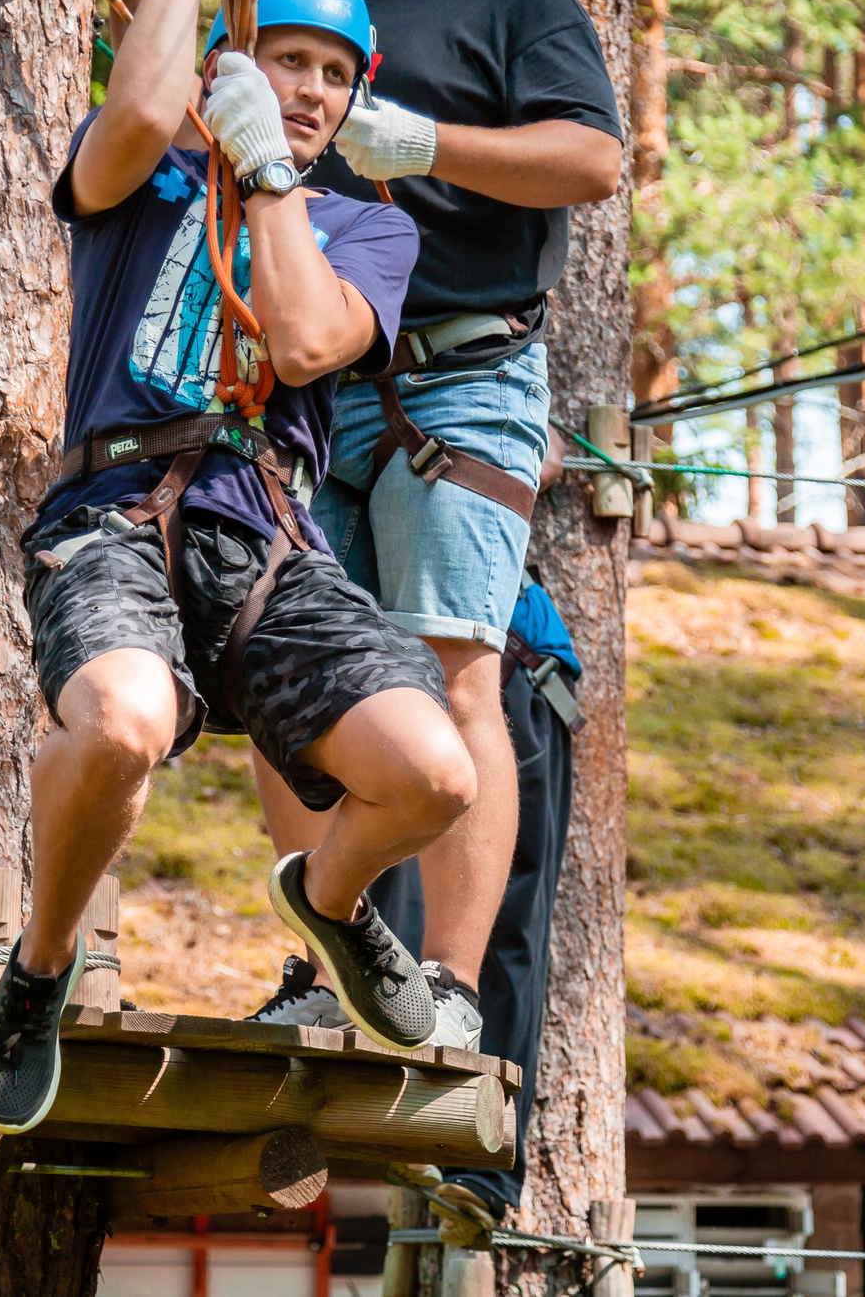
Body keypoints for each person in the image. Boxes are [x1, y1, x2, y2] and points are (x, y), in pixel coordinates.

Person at [0, 0, 476, 1138]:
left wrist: (276, 181)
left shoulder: (369, 230)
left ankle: (331, 899)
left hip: (265, 538)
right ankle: (38, 972)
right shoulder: (147, 185)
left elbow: (303, 343)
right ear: (228, 69)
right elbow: (139, 110)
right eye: (285, 62)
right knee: (120, 726)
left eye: (332, 74)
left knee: (433, 777)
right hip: (118, 515)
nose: (307, 90)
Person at [246, 0, 623, 1056]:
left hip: (463, 379)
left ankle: (453, 983)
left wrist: (429, 144)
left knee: (459, 659)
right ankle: (328, 962)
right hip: (320, 383)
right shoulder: (310, 15)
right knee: (290, 685)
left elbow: (590, 160)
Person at [254, 446, 580, 1219]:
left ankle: (482, 1161)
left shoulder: (479, 402)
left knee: (496, 928)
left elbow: (540, 448)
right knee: (371, 899)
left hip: (505, 670)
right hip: (380, 687)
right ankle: (369, 1064)